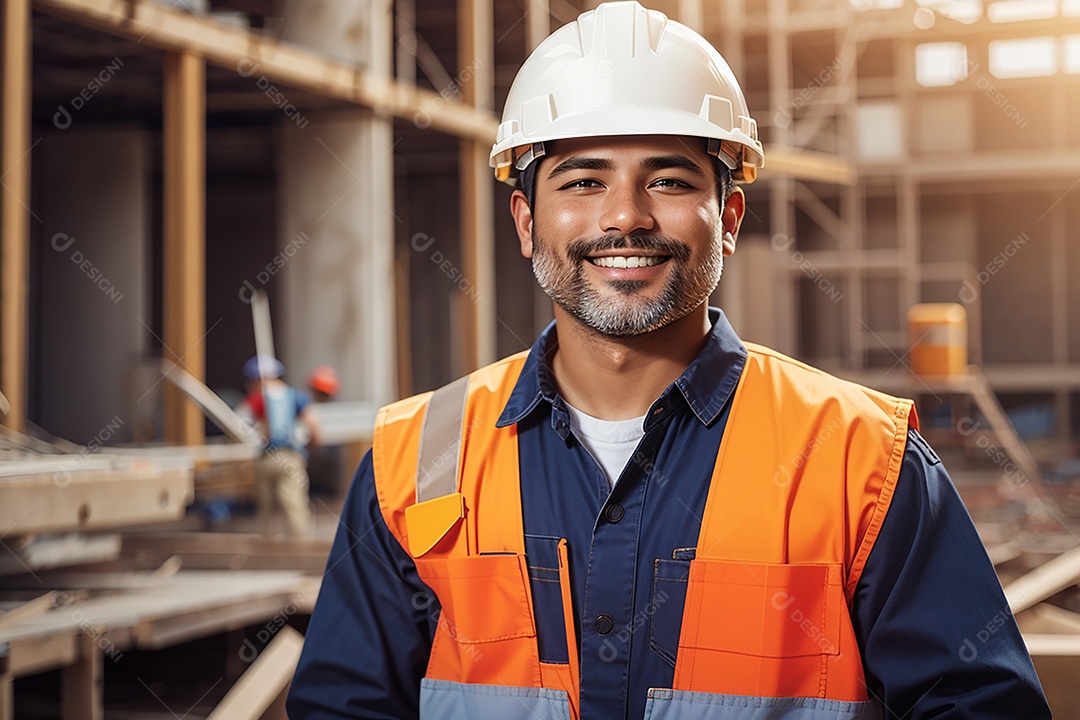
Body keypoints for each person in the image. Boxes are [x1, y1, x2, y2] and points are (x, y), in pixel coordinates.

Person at [287, 3, 1050, 718]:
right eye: (583, 181)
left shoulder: (860, 461)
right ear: (526, 221)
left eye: (670, 179)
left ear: (729, 219)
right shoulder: (412, 463)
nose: (625, 216)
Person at [236, 355, 319, 539]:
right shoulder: (295, 396)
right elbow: (313, 426)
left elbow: (240, 424)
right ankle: (301, 543)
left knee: (265, 508)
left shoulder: (255, 399)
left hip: (265, 458)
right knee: (294, 504)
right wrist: (309, 449)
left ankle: (266, 545)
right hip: (290, 457)